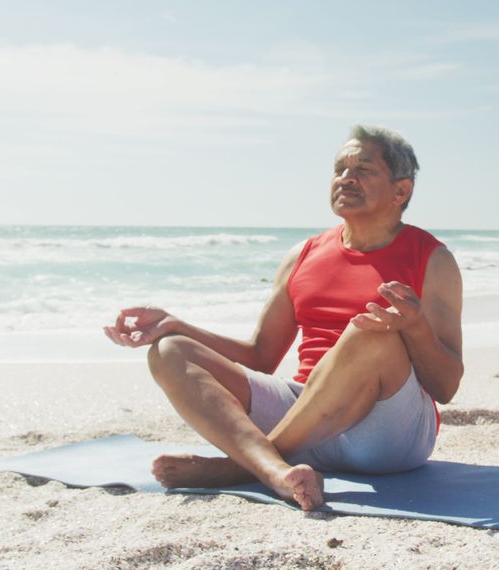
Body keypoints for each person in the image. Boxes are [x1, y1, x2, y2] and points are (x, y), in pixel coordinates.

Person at [104, 125, 463, 509]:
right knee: (170, 350)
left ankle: (242, 466)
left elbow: (446, 387)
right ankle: (276, 471)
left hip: (388, 434)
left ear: (401, 191)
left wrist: (415, 327)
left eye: (363, 169)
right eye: (339, 169)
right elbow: (260, 356)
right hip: (308, 421)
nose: (346, 178)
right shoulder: (303, 255)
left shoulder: (432, 260)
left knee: (369, 333)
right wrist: (175, 324)